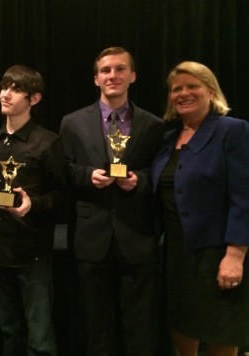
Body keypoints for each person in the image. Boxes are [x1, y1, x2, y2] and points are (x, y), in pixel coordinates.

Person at [59, 47, 164, 355]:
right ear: (96, 78)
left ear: (132, 76)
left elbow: (157, 171)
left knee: (140, 324)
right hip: (92, 235)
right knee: (96, 324)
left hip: (137, 235)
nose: (112, 75)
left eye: (120, 69)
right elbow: (63, 168)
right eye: (105, 70)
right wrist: (86, 175)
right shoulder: (72, 122)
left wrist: (139, 181)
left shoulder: (154, 124)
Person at [151, 61, 249, 356]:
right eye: (176, 88)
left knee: (219, 331)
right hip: (177, 256)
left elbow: (244, 196)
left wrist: (235, 255)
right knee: (182, 329)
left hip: (217, 254)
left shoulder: (232, 130)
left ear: (210, 90)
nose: (183, 93)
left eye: (192, 86)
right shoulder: (168, 138)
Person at [0, 64, 67, 356]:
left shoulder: (47, 142)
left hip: (32, 252)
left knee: (40, 338)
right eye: (5, 87)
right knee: (8, 331)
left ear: (35, 99)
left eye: (16, 89)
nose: (6, 94)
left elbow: (61, 194)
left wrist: (34, 204)